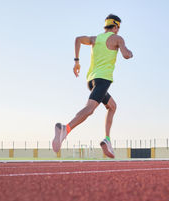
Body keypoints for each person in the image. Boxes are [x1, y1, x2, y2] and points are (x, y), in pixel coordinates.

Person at [52, 14, 133, 158]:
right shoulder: (117, 39)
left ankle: (107, 139)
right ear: (116, 27)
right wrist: (130, 53)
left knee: (112, 106)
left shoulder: (95, 39)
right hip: (103, 80)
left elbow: (77, 39)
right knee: (90, 109)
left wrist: (77, 62)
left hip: (91, 81)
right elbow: (126, 55)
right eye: (118, 28)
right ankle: (65, 129)